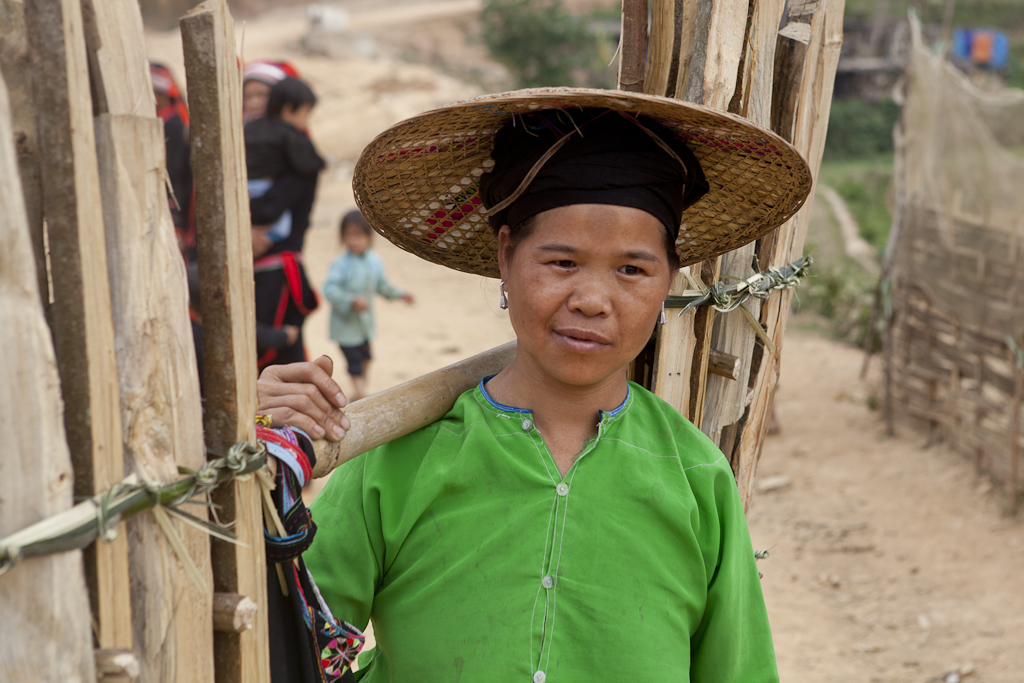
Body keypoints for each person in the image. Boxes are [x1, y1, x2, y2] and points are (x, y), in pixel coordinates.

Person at [257, 89, 811, 682]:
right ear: (506, 257)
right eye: (561, 262)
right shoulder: (398, 463)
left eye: (632, 269)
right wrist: (255, 459)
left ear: (667, 279)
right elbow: (281, 645)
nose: (593, 301)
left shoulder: (696, 479)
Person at [245, 76, 326, 370]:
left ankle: (275, 420)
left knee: (279, 361)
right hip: (261, 275)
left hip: (277, 275)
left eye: (262, 95)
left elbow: (270, 208)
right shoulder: (293, 152)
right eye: (248, 95)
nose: (255, 103)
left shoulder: (296, 157)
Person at [323, 210, 414, 400]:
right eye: (348, 235)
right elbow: (330, 289)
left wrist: (400, 294)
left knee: (366, 358)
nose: (353, 240)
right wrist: (350, 301)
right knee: (354, 361)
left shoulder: (374, 261)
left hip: (365, 325)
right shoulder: (340, 264)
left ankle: (360, 390)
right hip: (346, 326)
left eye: (358, 235)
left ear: (369, 236)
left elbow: (382, 285)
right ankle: (363, 394)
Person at [150, 62, 196, 262]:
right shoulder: (160, 124)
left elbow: (178, 178)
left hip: (173, 216)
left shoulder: (176, 128)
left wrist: (177, 224)